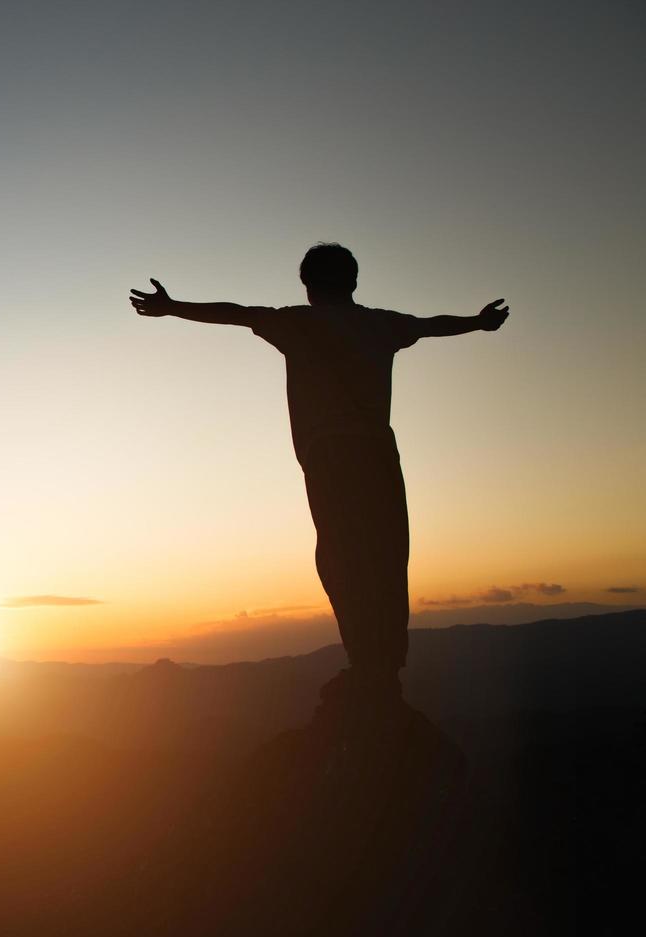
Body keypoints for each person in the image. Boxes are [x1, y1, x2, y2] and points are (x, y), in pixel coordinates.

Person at [129, 243, 508, 724]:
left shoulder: (297, 323)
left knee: (340, 556)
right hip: (378, 454)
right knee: (388, 556)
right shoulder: (380, 324)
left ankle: (367, 665)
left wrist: (171, 308)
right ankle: (383, 667)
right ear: (352, 282)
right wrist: (478, 322)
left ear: (307, 286)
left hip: (330, 456)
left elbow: (234, 314)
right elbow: (433, 324)